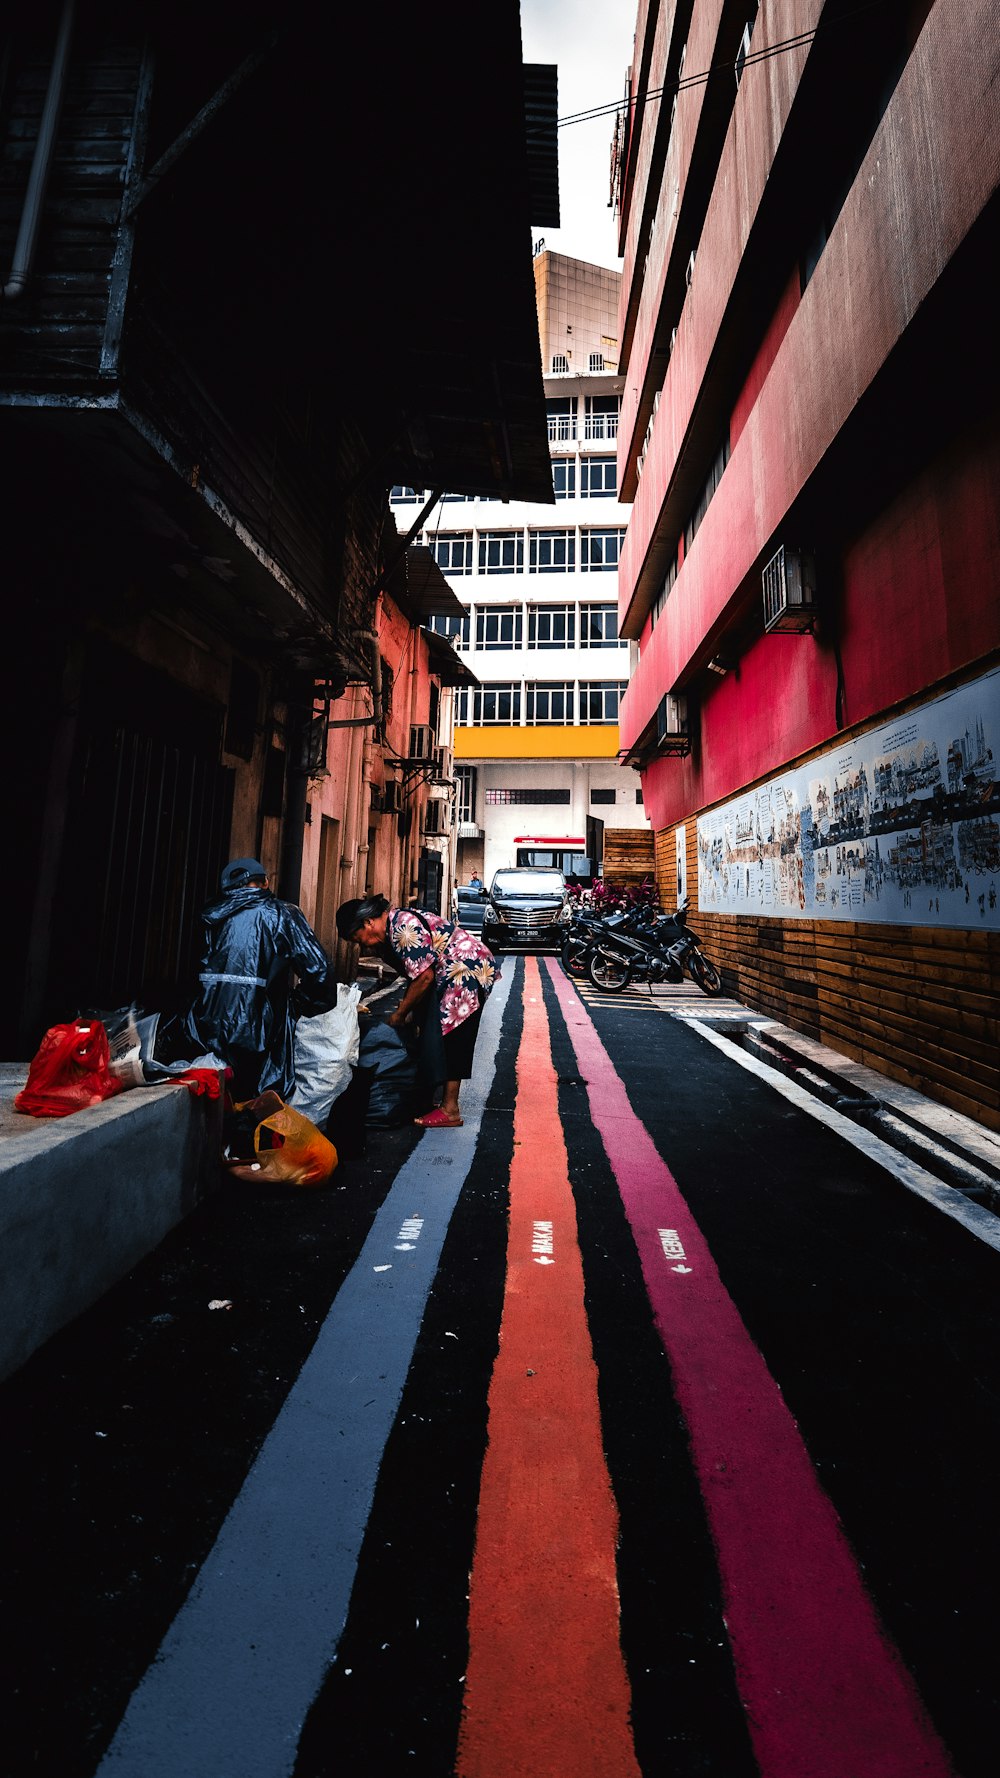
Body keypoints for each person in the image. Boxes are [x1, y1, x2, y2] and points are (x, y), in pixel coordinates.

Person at [178, 858, 337, 1102]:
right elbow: (319, 972)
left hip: (203, 1026)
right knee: (257, 1103)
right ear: (265, 883)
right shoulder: (282, 914)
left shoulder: (208, 916)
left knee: (214, 1099)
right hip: (260, 1027)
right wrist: (297, 1005)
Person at [336, 892, 498, 1128]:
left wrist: (400, 1013)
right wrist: (411, 1009)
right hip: (450, 972)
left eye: (357, 938)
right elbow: (416, 975)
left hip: (465, 970)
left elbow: (424, 976)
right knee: (428, 1027)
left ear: (368, 922)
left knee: (454, 1034)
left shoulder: (403, 929)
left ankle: (450, 1108)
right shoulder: (389, 934)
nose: (359, 944)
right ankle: (433, 1098)